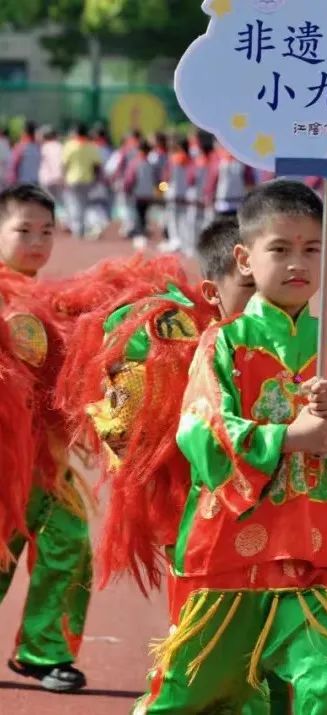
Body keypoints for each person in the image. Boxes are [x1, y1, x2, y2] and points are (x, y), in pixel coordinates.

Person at [134, 180, 327, 714]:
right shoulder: (225, 343)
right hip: (228, 557)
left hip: (311, 552)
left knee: (325, 689)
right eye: (279, 248)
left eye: (311, 249)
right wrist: (288, 438)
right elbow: (202, 428)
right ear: (246, 258)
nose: (297, 262)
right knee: (189, 694)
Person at [0, 184, 91, 692]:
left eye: (46, 231)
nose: (37, 241)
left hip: (44, 459)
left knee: (70, 541)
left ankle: (44, 650)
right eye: (23, 230)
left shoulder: (56, 300)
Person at [62, 123, 102, 237]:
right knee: (85, 204)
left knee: (74, 204)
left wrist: (63, 177)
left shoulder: (69, 146)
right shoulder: (91, 146)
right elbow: (97, 165)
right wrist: (96, 179)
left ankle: (77, 228)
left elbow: (65, 164)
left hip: (72, 179)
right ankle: (85, 227)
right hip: (87, 179)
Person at [124, 140, 156, 239]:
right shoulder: (150, 164)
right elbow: (156, 179)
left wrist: (127, 188)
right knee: (143, 213)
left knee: (138, 212)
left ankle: (139, 230)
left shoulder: (135, 163)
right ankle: (142, 229)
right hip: (148, 193)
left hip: (137, 193)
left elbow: (130, 178)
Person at [8, 121, 41, 186]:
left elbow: (12, 166)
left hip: (22, 184)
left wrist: (11, 183)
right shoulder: (38, 148)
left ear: (25, 132)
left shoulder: (20, 147)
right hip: (35, 183)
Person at [38, 126, 64, 208]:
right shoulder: (60, 146)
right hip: (59, 179)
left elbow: (54, 162)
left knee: (48, 203)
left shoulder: (45, 147)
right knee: (59, 203)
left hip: (48, 180)